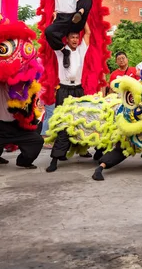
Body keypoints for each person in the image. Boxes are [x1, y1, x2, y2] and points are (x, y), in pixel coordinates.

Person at [46, 23, 93, 173]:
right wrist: (57, 20)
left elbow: (88, 33)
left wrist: (82, 17)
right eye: (72, 37)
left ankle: (82, 150)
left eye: (76, 37)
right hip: (64, 90)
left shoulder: (81, 51)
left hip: (78, 89)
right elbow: (52, 35)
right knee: (63, 123)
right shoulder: (61, 51)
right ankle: (56, 157)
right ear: (66, 39)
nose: (74, 39)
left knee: (82, 121)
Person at [44, 0, 93, 67]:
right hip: (61, 20)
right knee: (48, 32)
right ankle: (64, 52)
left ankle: (80, 12)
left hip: (75, 20)